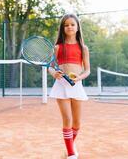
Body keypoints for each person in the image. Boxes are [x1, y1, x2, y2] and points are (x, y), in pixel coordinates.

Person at [48, 14, 90, 159]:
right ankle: (71, 153)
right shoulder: (57, 47)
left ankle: (70, 146)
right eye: (66, 25)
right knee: (67, 119)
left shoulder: (83, 48)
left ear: (77, 27)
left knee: (77, 123)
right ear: (62, 28)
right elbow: (50, 67)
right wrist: (54, 74)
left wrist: (80, 77)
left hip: (76, 86)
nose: (69, 27)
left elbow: (87, 70)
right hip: (61, 85)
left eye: (72, 24)